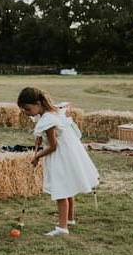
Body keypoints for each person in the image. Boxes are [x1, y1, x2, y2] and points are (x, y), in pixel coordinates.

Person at [17, 87, 99, 237]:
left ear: (37, 104)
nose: (26, 113)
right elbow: (43, 135)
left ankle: (62, 228)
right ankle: (69, 219)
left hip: (60, 154)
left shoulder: (48, 119)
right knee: (67, 186)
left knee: (61, 188)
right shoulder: (50, 113)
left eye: (28, 109)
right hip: (68, 153)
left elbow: (53, 146)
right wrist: (38, 140)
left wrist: (37, 156)